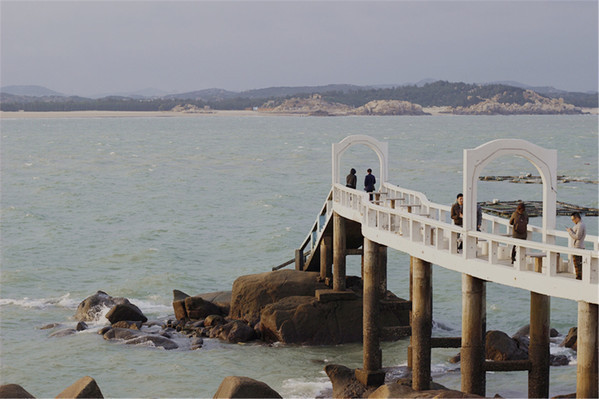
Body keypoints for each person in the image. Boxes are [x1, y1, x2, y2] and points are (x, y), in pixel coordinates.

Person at [566, 212, 586, 280]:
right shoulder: (579, 224)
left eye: (573, 219)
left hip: (578, 247)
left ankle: (579, 278)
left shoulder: (580, 225)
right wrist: (572, 231)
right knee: (578, 264)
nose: (573, 221)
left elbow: (577, 236)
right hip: (578, 246)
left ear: (577, 218)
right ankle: (579, 277)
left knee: (578, 265)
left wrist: (570, 231)